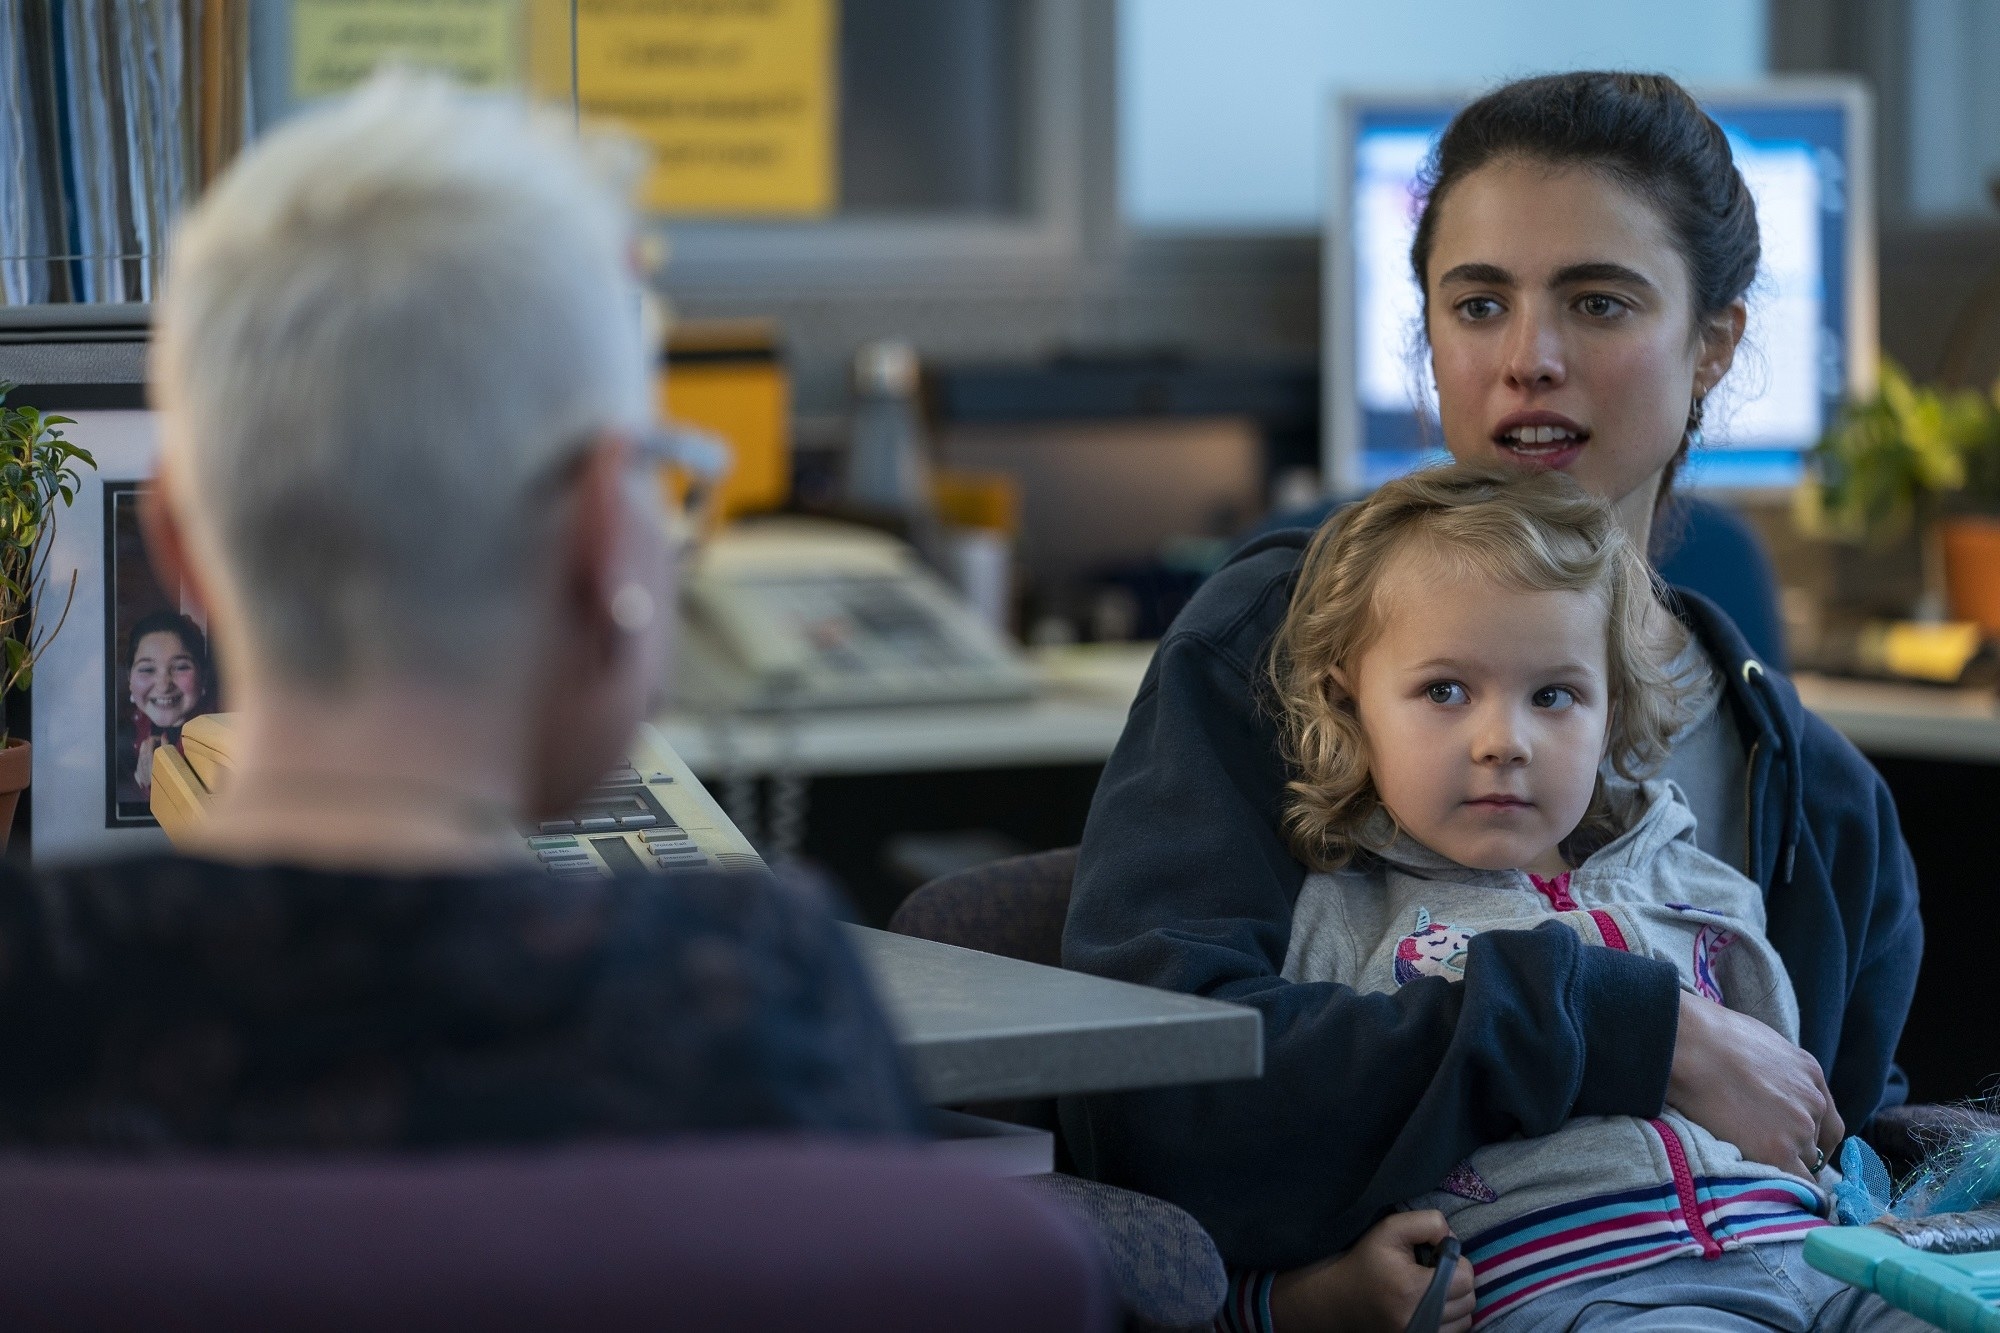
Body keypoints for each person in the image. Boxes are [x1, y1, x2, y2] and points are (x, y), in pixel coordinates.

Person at [1061, 72, 1923, 1331]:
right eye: (1477, 304)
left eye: (1596, 300)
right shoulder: (1277, 644)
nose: (1527, 358)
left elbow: (1846, 1150)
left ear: (1714, 345)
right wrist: (1642, 1033)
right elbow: (1157, 1098)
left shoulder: (1817, 794)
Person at [0, 73, 921, 1148]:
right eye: (663, 483)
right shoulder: (766, 1008)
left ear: (182, 551)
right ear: (599, 538)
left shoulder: (35, 1013)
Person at [1255, 465, 1924, 1332]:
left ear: (1610, 713)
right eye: (1445, 691)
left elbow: (1800, 1125)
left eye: (1555, 695)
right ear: (1350, 699)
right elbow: (1271, 1176)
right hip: (1597, 1290)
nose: (1504, 742)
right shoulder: (1344, 916)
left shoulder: (1703, 887)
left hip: (1813, 1258)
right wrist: (1289, 1304)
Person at [121, 609, 216, 797]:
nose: (164, 686)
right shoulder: (122, 733)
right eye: (147, 669)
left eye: (180, 667)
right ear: (129, 678)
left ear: (203, 676)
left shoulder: (220, 744)